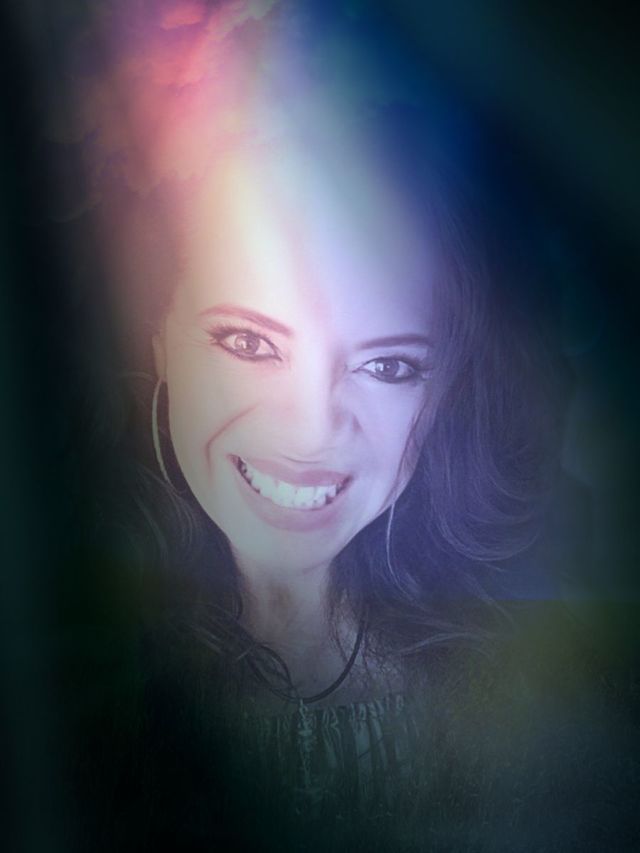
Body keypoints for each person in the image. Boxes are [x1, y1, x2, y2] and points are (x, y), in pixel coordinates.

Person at [58, 2, 635, 850]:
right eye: (248, 342)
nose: (312, 428)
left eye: (388, 365)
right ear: (159, 335)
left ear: (441, 393)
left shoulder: (544, 684)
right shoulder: (58, 673)